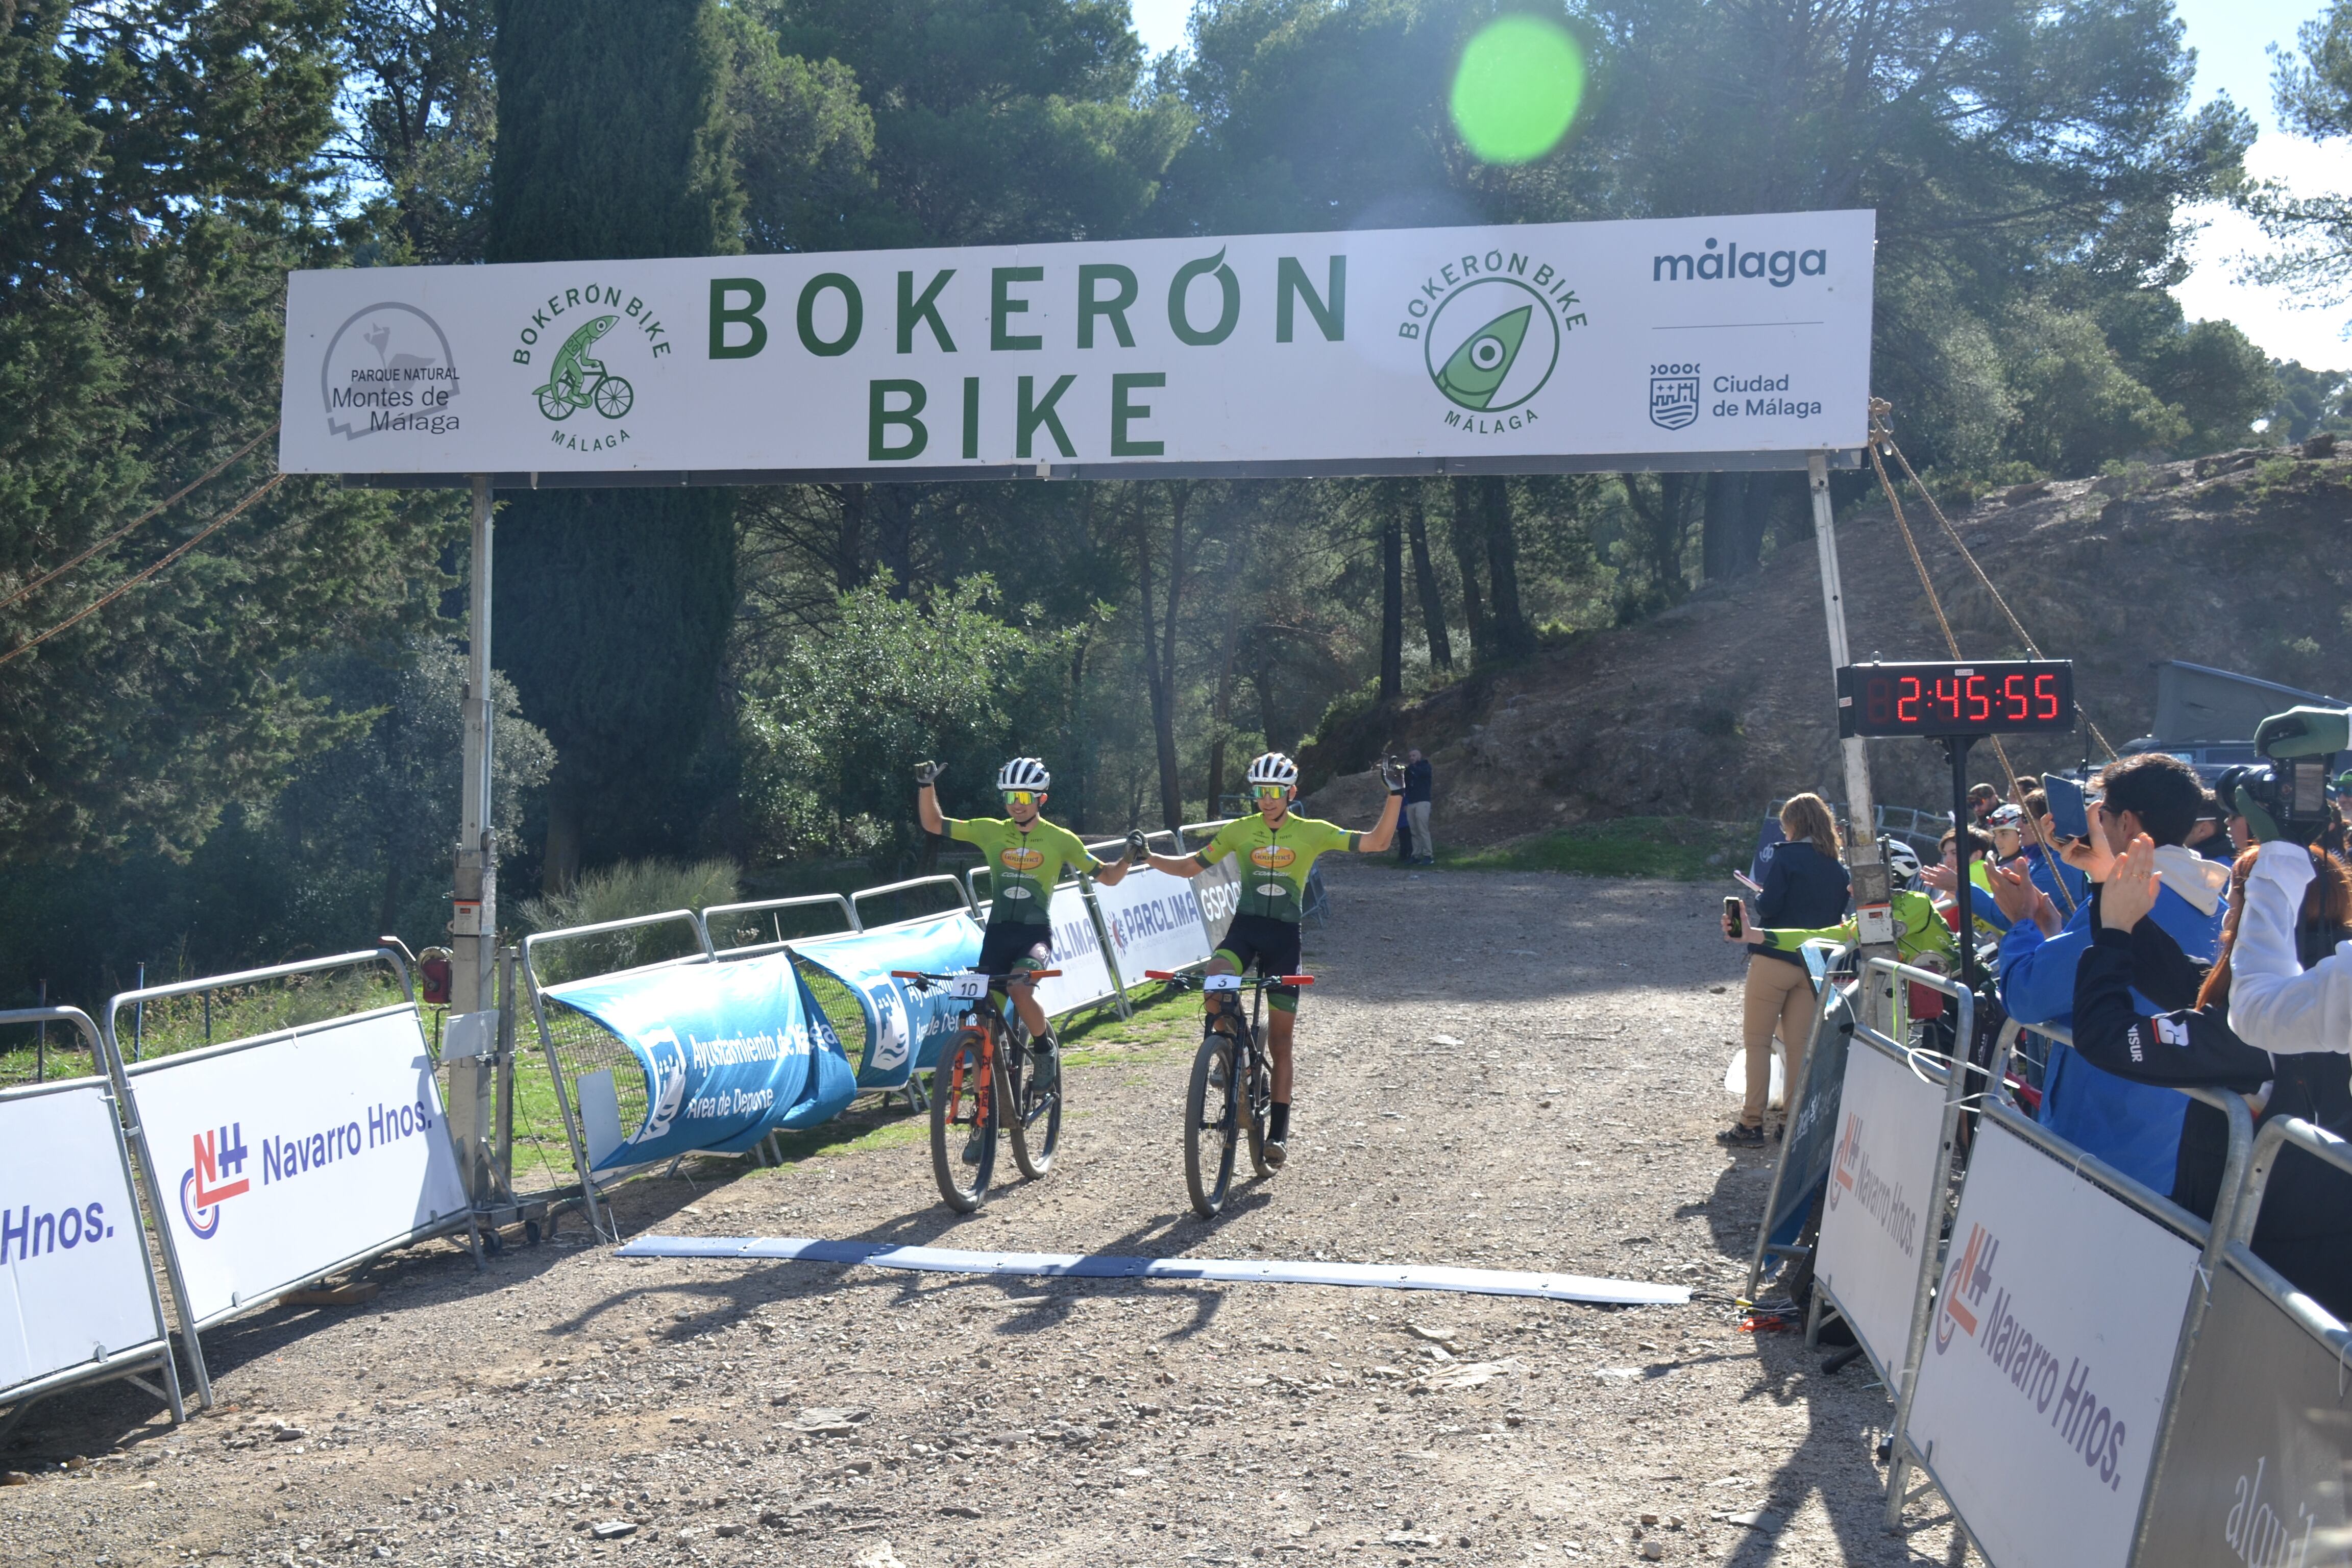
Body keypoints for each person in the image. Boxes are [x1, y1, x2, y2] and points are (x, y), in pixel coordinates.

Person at [2068, 832, 2352, 1318]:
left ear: (2266, 910)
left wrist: (2114, 934)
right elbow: (2192, 983)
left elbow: (2106, 1036)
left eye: (2238, 900)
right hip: (2318, 1263)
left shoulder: (2261, 1029)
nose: (2226, 915)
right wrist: (2109, 891)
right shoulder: (2327, 986)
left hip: (2256, 1280)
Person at [1141, 750, 1402, 1168]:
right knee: (1215, 983)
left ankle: (1278, 1132)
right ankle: (1232, 1050)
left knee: (1281, 1043)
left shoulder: (1312, 832)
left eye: (1275, 792)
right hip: (1244, 931)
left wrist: (1396, 794)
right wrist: (1149, 858)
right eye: (1260, 792)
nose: (1266, 799)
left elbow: (1377, 843)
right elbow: (1191, 866)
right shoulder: (1240, 830)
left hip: (1283, 940)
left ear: (1291, 793)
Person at [1992, 752, 2229, 1193]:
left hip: (2101, 1148)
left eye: (2102, 813)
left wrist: (2022, 923)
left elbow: (2026, 995)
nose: (2094, 823)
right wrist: (2054, 929)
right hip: (2172, 1150)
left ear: (2128, 823)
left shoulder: (2128, 900)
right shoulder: (2218, 902)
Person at [917, 757, 1132, 1101]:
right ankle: (984, 1110)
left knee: (1019, 989)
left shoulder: (1061, 839)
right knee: (979, 1017)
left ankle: (1044, 1050)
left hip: (1034, 936)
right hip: (997, 936)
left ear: (1041, 799)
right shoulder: (990, 830)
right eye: (1010, 797)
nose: (1016, 805)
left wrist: (1129, 857)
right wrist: (926, 786)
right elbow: (933, 823)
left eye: (1024, 798)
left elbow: (1108, 876)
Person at [1713, 794, 1851, 1146]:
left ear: (1793, 824)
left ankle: (1751, 1123)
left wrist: (1761, 896)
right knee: (1799, 1047)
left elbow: (1770, 906)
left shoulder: (1786, 857)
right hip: (1813, 962)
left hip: (1774, 958)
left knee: (1758, 1043)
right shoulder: (1838, 869)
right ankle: (1791, 1123)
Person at [1402, 749, 1434, 865]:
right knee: (1414, 830)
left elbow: (1422, 774)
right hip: (1412, 803)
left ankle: (1428, 855)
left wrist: (1411, 768)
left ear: (1419, 756)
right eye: (1410, 756)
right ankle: (1416, 855)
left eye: (1414, 755)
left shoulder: (1425, 766)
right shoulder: (1409, 771)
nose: (1412, 758)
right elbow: (1406, 786)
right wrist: (1406, 803)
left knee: (1422, 829)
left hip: (1423, 801)